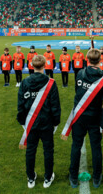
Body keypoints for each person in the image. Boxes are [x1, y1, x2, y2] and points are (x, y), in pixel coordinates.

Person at [61, 48, 103, 189]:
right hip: (95, 118)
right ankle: (96, 177)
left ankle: (73, 176)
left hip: (79, 117)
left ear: (87, 60)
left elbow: (78, 93)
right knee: (96, 148)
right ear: (101, 61)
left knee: (76, 146)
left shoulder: (80, 74)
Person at [17, 55, 61, 189]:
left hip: (31, 123)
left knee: (30, 151)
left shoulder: (25, 82)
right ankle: (48, 177)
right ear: (45, 65)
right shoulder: (51, 83)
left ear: (31, 65)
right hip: (47, 123)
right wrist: (56, 122)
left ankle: (31, 177)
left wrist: (23, 122)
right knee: (48, 151)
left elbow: (21, 104)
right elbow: (55, 106)